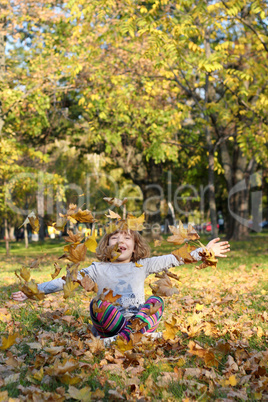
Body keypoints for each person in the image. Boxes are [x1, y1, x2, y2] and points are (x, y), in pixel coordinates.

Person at [12, 230, 230, 342]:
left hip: (138, 320)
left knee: (157, 301)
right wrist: (34, 290)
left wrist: (204, 252)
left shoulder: (142, 265)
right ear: (106, 246)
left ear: (135, 247)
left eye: (126, 238)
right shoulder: (97, 268)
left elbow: (173, 259)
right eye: (114, 238)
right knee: (98, 305)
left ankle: (122, 339)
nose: (120, 241)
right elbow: (66, 281)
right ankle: (133, 338)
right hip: (110, 321)